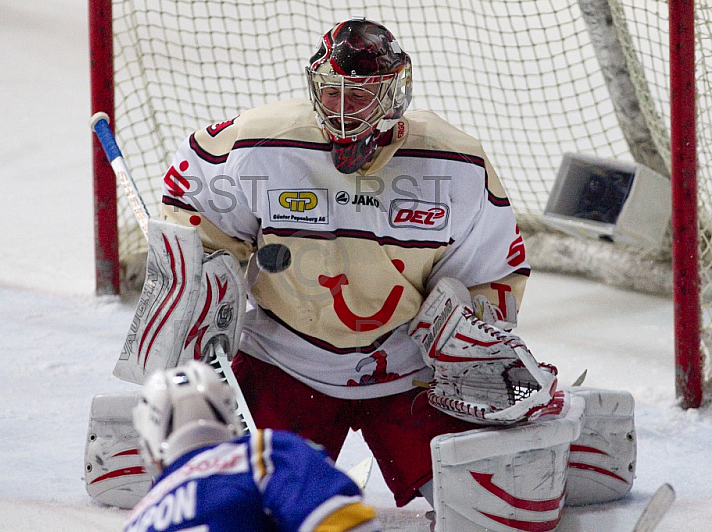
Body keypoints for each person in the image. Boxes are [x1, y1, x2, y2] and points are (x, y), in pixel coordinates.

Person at [157, 17, 537, 511]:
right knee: (234, 505)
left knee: (498, 509)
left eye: (359, 95)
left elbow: (492, 271)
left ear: (392, 95)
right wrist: (201, 285)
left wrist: (476, 329)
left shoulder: (456, 163)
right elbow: (192, 206)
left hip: (409, 368)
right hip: (286, 359)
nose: (341, 109)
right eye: (331, 92)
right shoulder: (260, 143)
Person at [125, 360, 382, 532]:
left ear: (150, 445)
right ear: (228, 414)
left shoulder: (137, 520)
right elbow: (349, 525)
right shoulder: (261, 451)